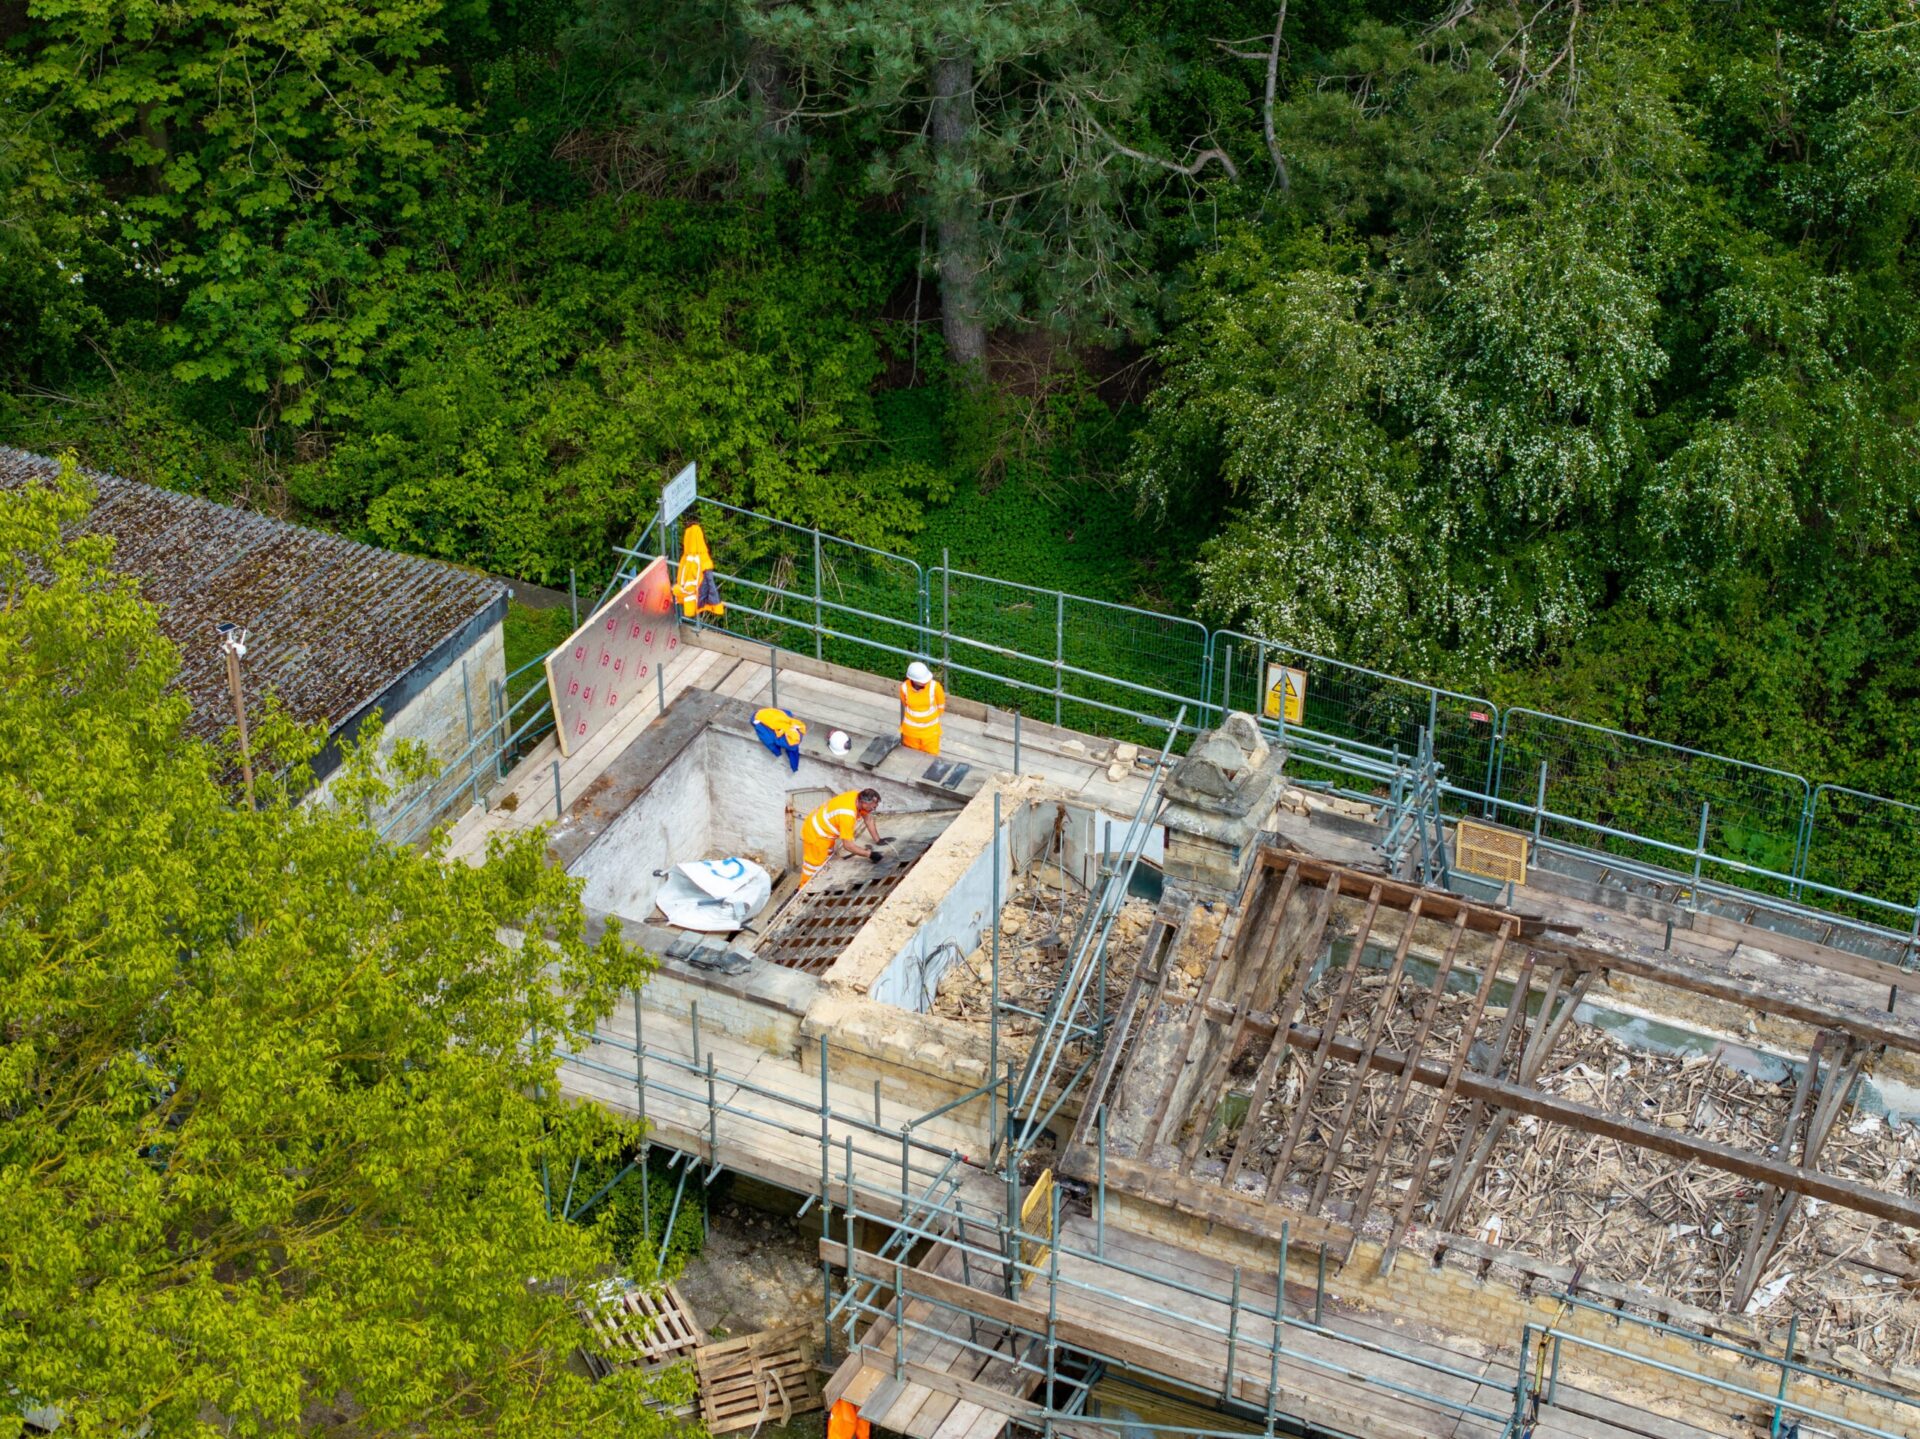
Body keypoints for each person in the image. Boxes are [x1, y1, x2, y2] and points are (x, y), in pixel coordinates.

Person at [800, 787, 883, 887]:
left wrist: (878, 840)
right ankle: (803, 889)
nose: (873, 810)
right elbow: (848, 846)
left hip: (824, 828)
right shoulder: (847, 815)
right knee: (813, 866)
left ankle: (820, 878)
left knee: (826, 858)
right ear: (863, 803)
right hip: (816, 834)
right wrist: (869, 854)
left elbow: (868, 819)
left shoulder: (857, 796)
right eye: (872, 807)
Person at [673, 522, 725, 619]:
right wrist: (716, 605)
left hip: (693, 597)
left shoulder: (687, 558)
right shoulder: (702, 559)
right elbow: (710, 583)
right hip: (697, 596)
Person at [899, 660, 946, 756]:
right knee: (911, 755)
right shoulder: (904, 688)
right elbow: (905, 703)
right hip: (911, 732)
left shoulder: (935, 687)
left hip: (930, 732)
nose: (925, 682)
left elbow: (941, 704)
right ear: (913, 679)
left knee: (931, 755)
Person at [753, 706, 806, 772]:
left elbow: (767, 738)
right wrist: (776, 751)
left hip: (773, 714)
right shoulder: (792, 732)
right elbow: (766, 737)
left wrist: (777, 752)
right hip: (759, 716)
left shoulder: (794, 730)